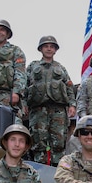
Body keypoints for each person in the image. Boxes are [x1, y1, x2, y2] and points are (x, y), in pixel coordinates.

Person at [26, 35, 76, 166]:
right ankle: (40, 171)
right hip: (38, 110)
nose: (49, 49)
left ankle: (58, 172)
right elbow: (24, 86)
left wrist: (72, 105)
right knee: (38, 142)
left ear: (55, 50)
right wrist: (23, 104)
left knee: (58, 143)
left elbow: (69, 87)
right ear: (41, 49)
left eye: (52, 47)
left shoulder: (61, 68)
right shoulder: (32, 66)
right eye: (46, 46)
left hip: (58, 110)